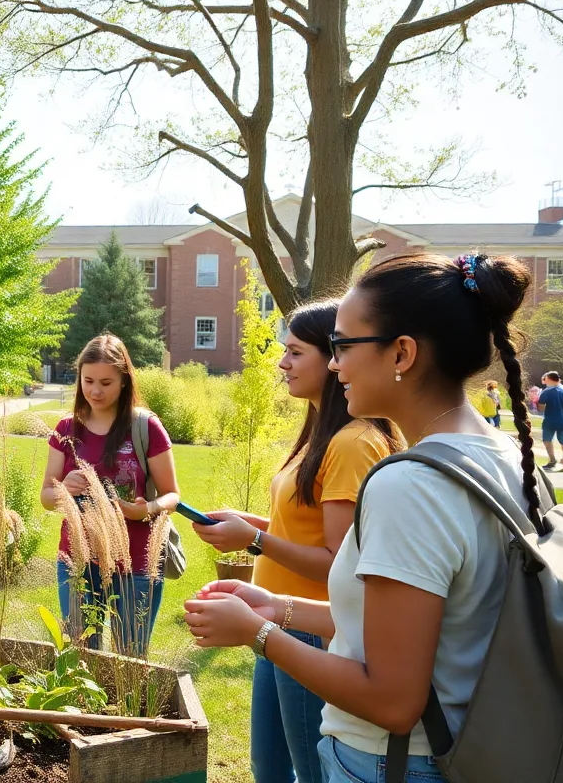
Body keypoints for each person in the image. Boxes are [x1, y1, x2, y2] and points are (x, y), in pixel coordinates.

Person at [183, 252, 540, 783]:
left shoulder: (410, 485)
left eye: (344, 346)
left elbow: (394, 702)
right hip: (469, 749)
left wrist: (257, 633)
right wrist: (279, 606)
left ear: (402, 353)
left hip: (390, 763)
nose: (333, 364)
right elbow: (410, 628)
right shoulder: (503, 455)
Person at [190, 302, 399, 783]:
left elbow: (338, 564)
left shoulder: (352, 443)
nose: (283, 363)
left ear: (333, 358)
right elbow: (307, 526)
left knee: (309, 768)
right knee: (269, 766)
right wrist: (251, 525)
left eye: (294, 351)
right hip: (278, 619)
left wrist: (257, 540)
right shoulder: (320, 435)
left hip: (312, 627)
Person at [40, 334, 180, 657]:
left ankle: (126, 711)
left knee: (129, 660)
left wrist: (141, 510)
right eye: (88, 381)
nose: (95, 390)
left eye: (106, 382)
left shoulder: (146, 428)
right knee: (80, 658)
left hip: (136, 564)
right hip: (77, 560)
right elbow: (46, 496)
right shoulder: (65, 429)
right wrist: (63, 489)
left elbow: (172, 495)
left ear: (124, 381)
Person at [539, 371, 563, 470]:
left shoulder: (546, 392)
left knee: (547, 440)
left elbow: (541, 408)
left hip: (550, 420)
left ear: (548, 379)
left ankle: (552, 460)